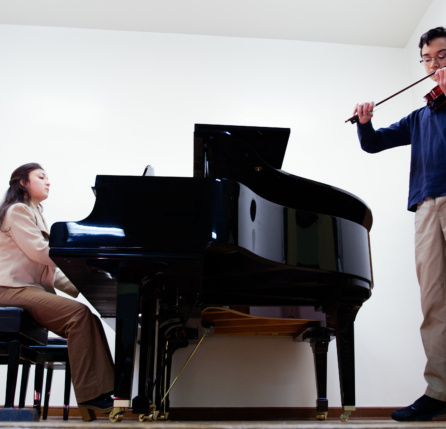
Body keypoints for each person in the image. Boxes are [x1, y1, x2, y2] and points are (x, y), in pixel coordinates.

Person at [353, 26, 446, 421]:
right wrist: (364, 122)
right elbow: (373, 143)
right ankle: (440, 392)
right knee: (434, 305)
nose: (433, 65)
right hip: (426, 208)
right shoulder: (421, 114)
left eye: (442, 56)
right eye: (427, 59)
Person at [0, 163, 114, 421]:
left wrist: (85, 281)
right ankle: (93, 397)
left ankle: (102, 393)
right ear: (22, 182)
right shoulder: (18, 210)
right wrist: (84, 261)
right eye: (41, 177)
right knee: (78, 316)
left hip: (23, 289)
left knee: (87, 317)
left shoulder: (33, 213)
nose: (48, 182)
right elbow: (41, 252)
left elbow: (48, 265)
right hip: (8, 289)